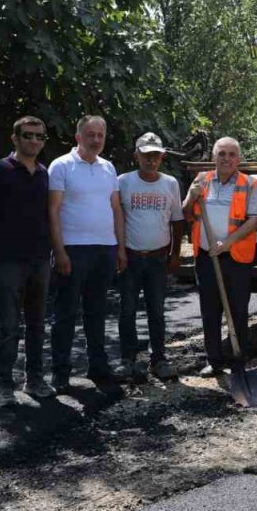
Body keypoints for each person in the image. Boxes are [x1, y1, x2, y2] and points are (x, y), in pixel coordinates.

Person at [0, 116, 55, 406]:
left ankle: (34, 380)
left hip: (40, 259)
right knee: (9, 325)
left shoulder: (45, 173)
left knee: (37, 323)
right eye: (28, 135)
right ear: (15, 138)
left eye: (39, 136)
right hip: (8, 260)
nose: (34, 141)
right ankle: (4, 385)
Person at [48, 115, 128, 390]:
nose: (96, 140)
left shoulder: (108, 168)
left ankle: (98, 366)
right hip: (73, 249)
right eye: (91, 135)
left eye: (100, 135)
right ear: (78, 137)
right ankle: (60, 372)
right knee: (66, 312)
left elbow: (116, 210)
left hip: (105, 249)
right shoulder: (61, 166)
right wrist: (59, 252)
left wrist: (120, 247)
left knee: (96, 311)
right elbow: (53, 211)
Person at [184, 137, 257, 378]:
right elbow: (186, 212)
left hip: (236, 257)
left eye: (231, 154)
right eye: (222, 154)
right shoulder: (201, 180)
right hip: (207, 257)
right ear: (214, 157)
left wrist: (227, 242)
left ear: (238, 159)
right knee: (210, 310)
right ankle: (214, 360)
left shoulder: (250, 184)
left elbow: (254, 220)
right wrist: (190, 197)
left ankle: (238, 360)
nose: (226, 158)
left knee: (238, 308)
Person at [117, 132, 184, 382]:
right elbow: (116, 217)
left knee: (156, 310)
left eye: (155, 155)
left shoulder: (170, 184)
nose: (150, 160)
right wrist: (119, 251)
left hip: (158, 259)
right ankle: (128, 359)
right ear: (137, 155)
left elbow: (178, 221)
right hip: (131, 257)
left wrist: (175, 254)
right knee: (127, 309)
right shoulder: (123, 182)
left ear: (162, 157)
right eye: (145, 155)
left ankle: (159, 359)